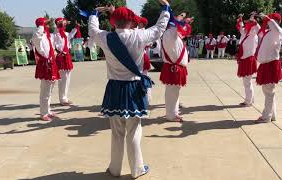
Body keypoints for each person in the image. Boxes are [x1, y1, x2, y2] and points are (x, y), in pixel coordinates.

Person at [88, 0, 170, 178]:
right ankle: (137, 169)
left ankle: (115, 169)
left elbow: (93, 29)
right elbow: (159, 28)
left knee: (116, 133)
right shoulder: (140, 36)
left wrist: (95, 13)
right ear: (131, 21)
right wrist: (165, 8)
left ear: (113, 22)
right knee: (134, 131)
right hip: (133, 87)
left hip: (115, 87)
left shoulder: (106, 37)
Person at [160, 12, 192, 122]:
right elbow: (178, 24)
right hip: (173, 68)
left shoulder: (173, 34)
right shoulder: (170, 33)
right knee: (171, 92)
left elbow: (183, 31)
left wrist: (185, 22)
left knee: (174, 91)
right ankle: (171, 115)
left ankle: (174, 112)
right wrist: (182, 17)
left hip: (177, 67)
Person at [255, 13, 282, 123]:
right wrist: (263, 21)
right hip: (266, 63)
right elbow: (260, 33)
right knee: (268, 91)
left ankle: (266, 116)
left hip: (271, 63)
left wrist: (267, 19)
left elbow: (276, 28)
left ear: (276, 21)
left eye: (272, 20)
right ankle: (272, 115)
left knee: (269, 91)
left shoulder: (279, 31)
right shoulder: (269, 32)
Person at [32, 17, 60, 121]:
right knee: (45, 91)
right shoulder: (37, 36)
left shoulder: (46, 36)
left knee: (50, 90)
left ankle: (48, 110)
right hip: (45, 65)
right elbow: (37, 35)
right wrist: (42, 24)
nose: (48, 25)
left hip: (51, 63)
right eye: (45, 24)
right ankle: (43, 113)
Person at [236, 12, 260, 107]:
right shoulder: (245, 33)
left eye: (247, 24)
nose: (245, 25)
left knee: (247, 82)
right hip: (244, 59)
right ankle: (250, 99)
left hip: (248, 59)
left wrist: (253, 19)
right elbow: (241, 28)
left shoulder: (253, 35)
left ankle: (248, 101)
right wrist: (240, 19)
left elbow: (257, 28)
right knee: (247, 82)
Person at [54, 18, 78, 106]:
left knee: (67, 78)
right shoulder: (55, 34)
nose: (65, 24)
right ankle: (62, 99)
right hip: (60, 58)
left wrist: (76, 27)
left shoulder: (66, 34)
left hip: (67, 57)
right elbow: (57, 31)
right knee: (62, 79)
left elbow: (71, 34)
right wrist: (61, 23)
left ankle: (65, 97)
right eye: (63, 22)